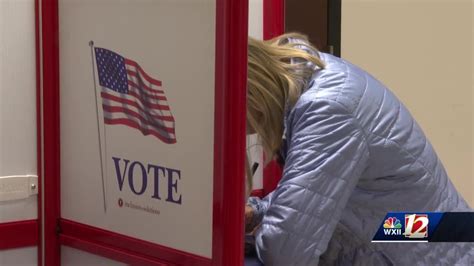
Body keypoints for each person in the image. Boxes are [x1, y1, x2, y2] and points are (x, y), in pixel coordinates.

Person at [244, 33, 473, 265]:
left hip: (429, 250)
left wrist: (257, 234)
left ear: (252, 93)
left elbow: (285, 252)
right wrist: (260, 212)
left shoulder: (327, 109)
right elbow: (320, 189)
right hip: (421, 234)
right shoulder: (313, 78)